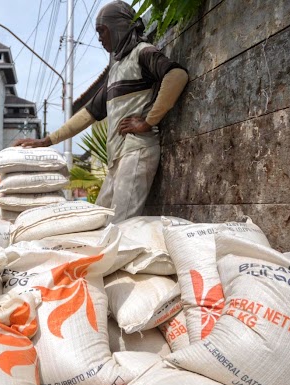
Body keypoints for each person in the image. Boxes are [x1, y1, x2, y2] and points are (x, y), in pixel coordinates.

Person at [14, 0, 188, 223]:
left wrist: (147, 122)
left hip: (137, 150)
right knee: (99, 220)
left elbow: (177, 76)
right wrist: (47, 141)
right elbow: (89, 114)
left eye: (102, 31)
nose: (99, 38)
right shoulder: (117, 69)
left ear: (118, 27)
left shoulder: (142, 53)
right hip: (118, 158)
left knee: (120, 224)